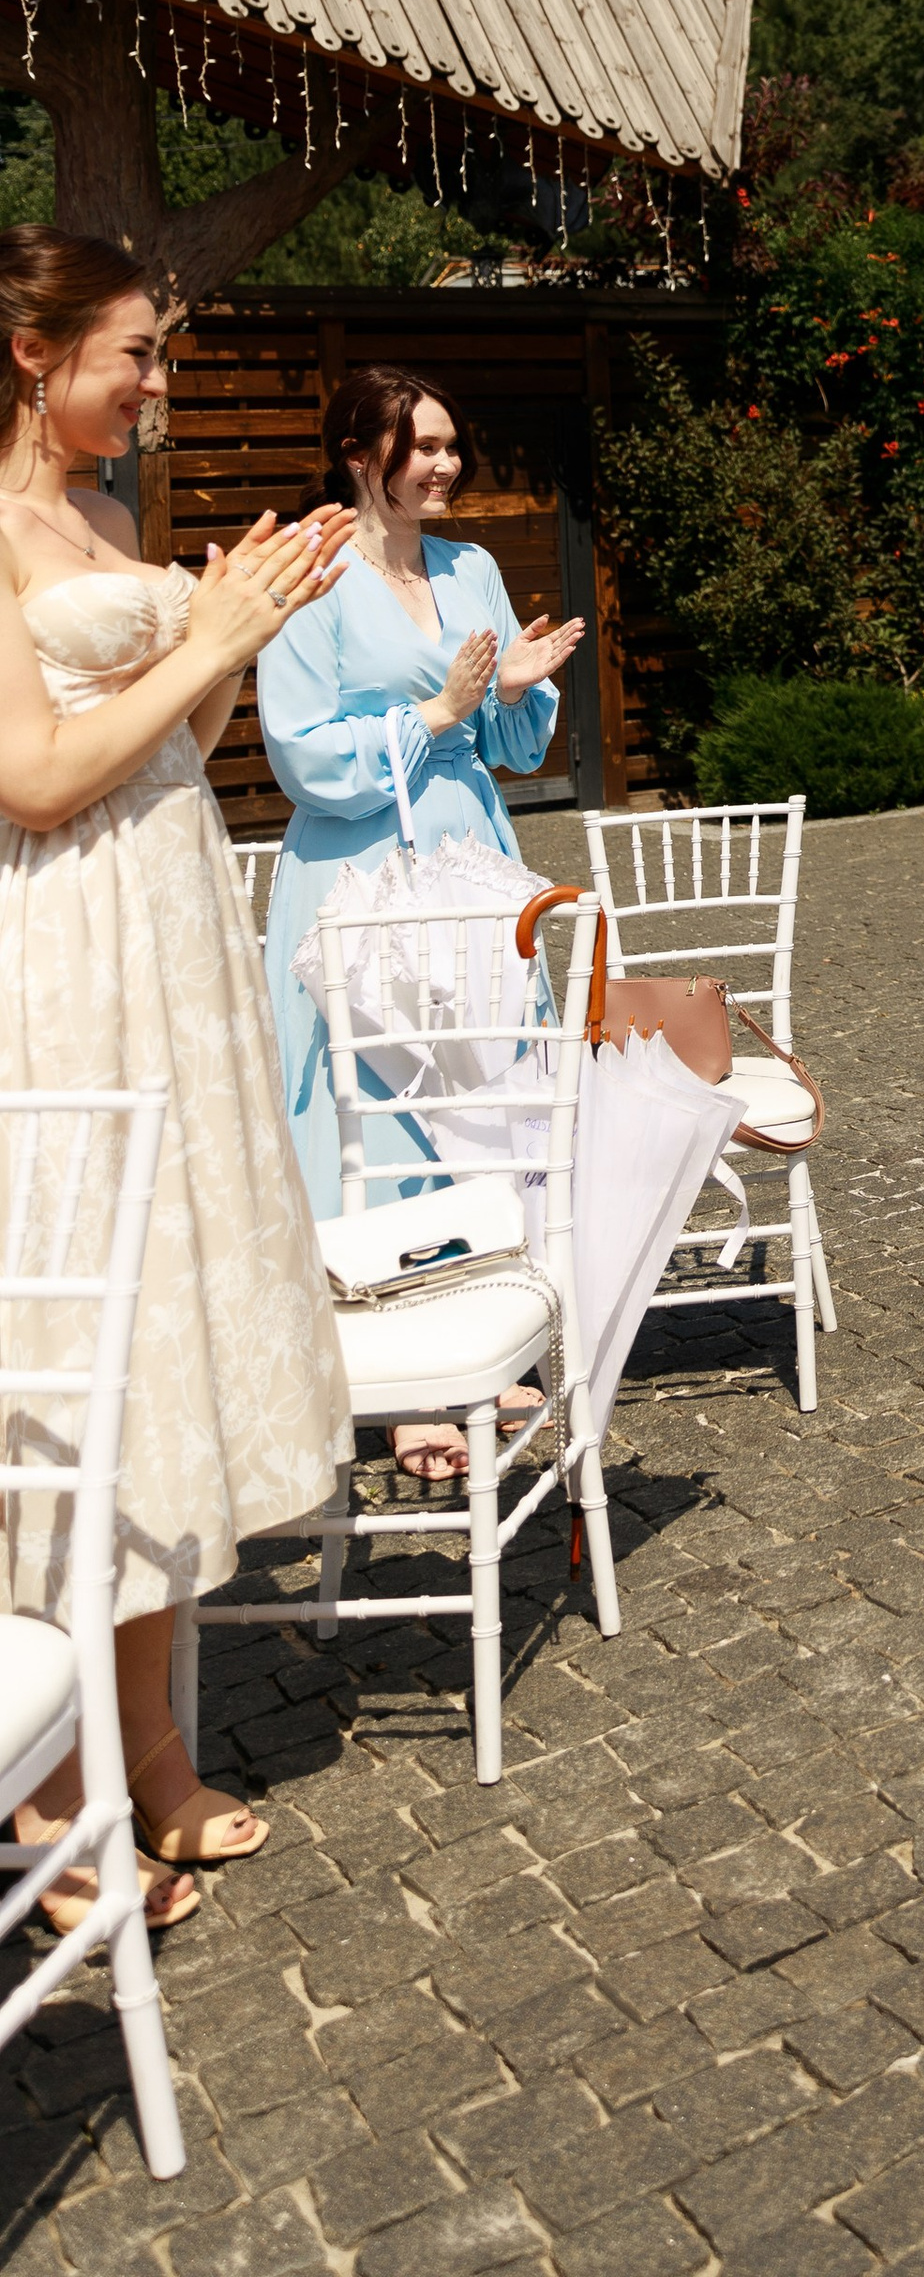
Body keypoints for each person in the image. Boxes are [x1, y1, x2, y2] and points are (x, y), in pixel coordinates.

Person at [0, 225, 355, 1933]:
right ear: (32, 351)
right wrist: (207, 639)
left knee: (156, 1340)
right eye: (133, 351)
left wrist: (241, 635)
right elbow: (36, 778)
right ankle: (45, 1790)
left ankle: (150, 1756)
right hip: (65, 954)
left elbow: (176, 749)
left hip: (174, 929)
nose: (154, 382)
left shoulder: (108, 519)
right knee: (77, 1356)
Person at [258, 364, 584, 1222]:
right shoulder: (312, 573)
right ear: (358, 456)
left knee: (488, 1054)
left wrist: (509, 692)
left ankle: (503, 1255)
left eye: (452, 447)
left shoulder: (472, 567)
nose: (447, 465)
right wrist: (435, 713)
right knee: (375, 1072)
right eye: (424, 448)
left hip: (471, 844)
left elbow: (510, 747)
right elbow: (302, 753)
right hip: (357, 861)